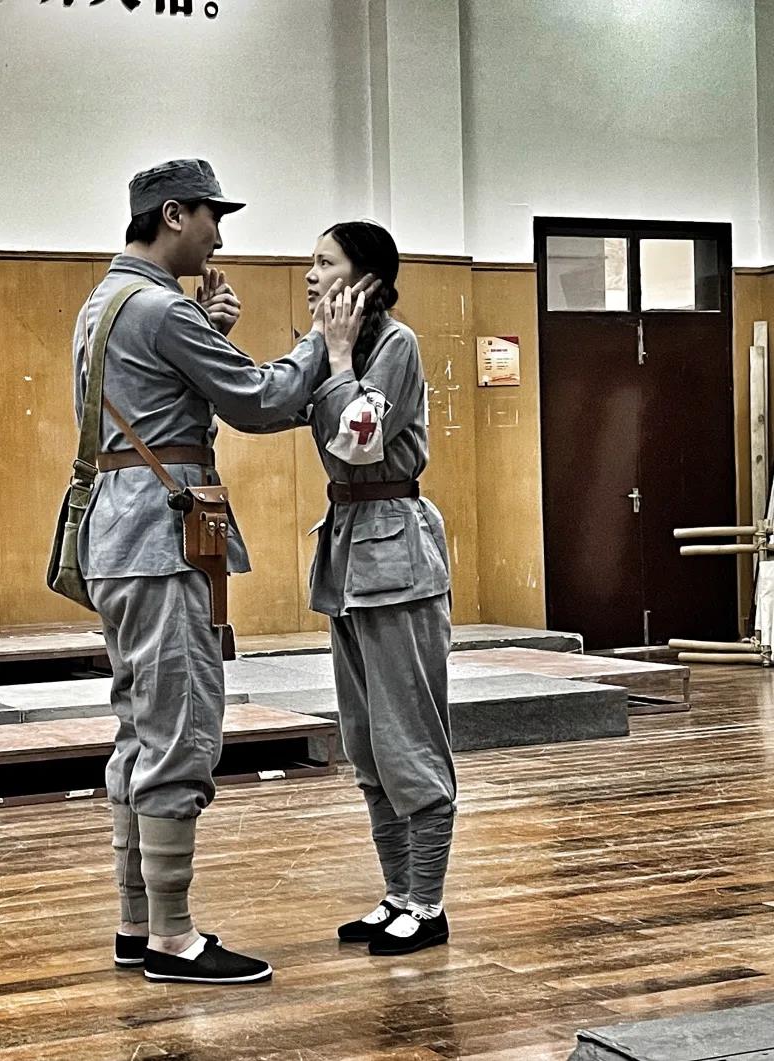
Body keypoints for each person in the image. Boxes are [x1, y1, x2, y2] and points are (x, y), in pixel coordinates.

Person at [73, 159, 369, 985]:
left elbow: (160, 391)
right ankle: (173, 937)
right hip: (162, 542)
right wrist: (323, 341)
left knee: (140, 731)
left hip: (118, 539)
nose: (220, 237)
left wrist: (205, 328)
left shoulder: (107, 300)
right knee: (181, 731)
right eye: (212, 217)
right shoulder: (163, 309)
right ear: (174, 214)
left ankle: (138, 922)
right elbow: (258, 400)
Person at [301, 221, 456, 956]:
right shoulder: (329, 344)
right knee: (365, 742)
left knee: (408, 738)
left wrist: (335, 358)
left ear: (364, 277)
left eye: (323, 262)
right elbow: (268, 402)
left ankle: (428, 902)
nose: (309, 275)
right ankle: (397, 891)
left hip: (396, 554)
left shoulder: (397, 343)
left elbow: (358, 440)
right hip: (347, 556)